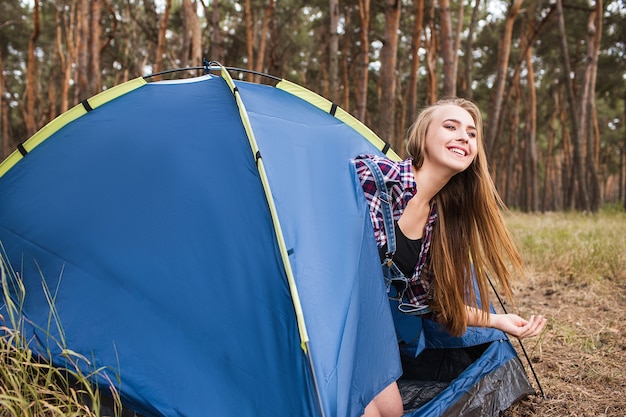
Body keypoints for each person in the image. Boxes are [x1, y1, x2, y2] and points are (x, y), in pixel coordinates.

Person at [352, 98, 547, 417]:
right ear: (422, 137)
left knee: (392, 410)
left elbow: (432, 304)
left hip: (365, 333)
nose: (464, 137)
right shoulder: (376, 176)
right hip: (322, 324)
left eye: (472, 134)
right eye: (451, 126)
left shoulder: (436, 225)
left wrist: (499, 321)